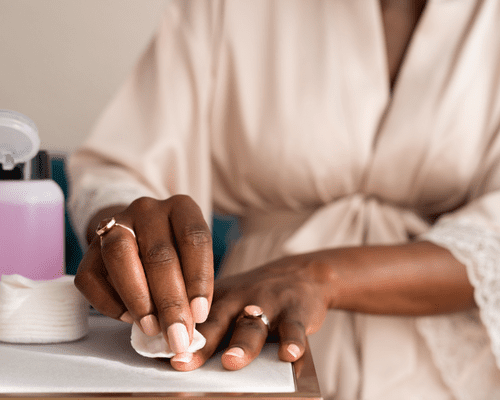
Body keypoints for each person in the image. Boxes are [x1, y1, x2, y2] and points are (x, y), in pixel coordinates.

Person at [68, 0, 500, 398]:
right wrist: (127, 231)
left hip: (451, 369)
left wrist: (319, 276)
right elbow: (119, 169)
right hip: (249, 343)